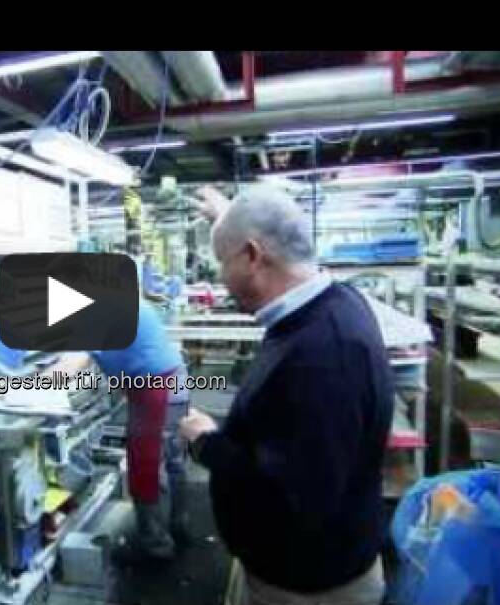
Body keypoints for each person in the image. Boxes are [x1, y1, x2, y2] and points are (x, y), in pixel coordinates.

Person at [178, 184, 394, 605]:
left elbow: (293, 503)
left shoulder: (322, 355)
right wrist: (232, 221)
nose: (221, 278)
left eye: (222, 262)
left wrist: (207, 444)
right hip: (304, 569)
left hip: (308, 587)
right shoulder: (334, 303)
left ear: (253, 256)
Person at [53, 299, 190, 562]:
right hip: (173, 378)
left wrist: (22, 388)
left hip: (154, 388)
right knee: (173, 459)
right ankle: (178, 527)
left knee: (145, 469)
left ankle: (155, 546)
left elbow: (68, 367)